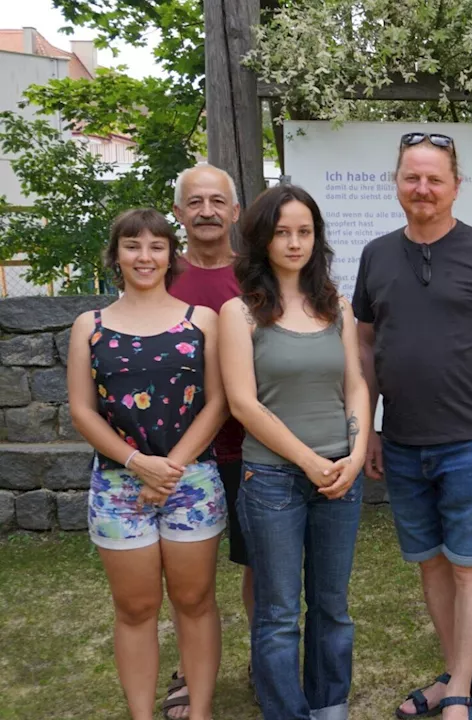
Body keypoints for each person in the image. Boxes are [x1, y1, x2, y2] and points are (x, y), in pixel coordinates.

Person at [353, 132, 472, 720]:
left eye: (434, 178)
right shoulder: (377, 255)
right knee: (431, 562)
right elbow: (364, 342)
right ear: (397, 183)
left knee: (471, 564)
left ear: (457, 186)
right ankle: (460, 675)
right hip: (402, 441)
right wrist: (369, 429)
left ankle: (455, 691)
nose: (423, 188)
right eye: (412, 177)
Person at [66, 209, 227, 720]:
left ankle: (198, 711)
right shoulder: (89, 326)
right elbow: (81, 410)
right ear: (115, 255)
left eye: (156, 246)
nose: (145, 256)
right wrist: (139, 464)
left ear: (170, 255)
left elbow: (218, 403)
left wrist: (169, 469)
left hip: (191, 481)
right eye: (133, 246)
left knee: (195, 601)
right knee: (135, 609)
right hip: (118, 485)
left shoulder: (201, 320)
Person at [219, 184, 370, 720]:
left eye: (304, 231)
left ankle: (330, 707)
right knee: (279, 614)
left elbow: (355, 384)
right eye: (282, 232)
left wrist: (355, 455)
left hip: (341, 476)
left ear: (316, 238)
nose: (294, 242)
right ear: (262, 239)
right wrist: (309, 460)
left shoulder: (338, 308)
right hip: (273, 481)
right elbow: (243, 403)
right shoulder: (238, 313)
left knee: (332, 606)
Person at [165, 162, 247, 718]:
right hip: (180, 454)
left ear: (235, 212)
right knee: (188, 583)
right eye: (195, 202)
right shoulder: (159, 277)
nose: (207, 212)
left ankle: (267, 662)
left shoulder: (259, 277)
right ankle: (186, 670)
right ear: (178, 213)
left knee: (259, 570)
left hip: (251, 451)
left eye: (217, 201)